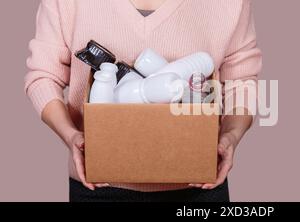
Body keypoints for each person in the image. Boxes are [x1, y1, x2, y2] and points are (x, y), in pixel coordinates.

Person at [24, 0, 262, 202]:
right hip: (98, 185)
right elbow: (43, 77)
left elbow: (241, 80)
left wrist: (230, 136)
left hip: (198, 185)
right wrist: (71, 135)